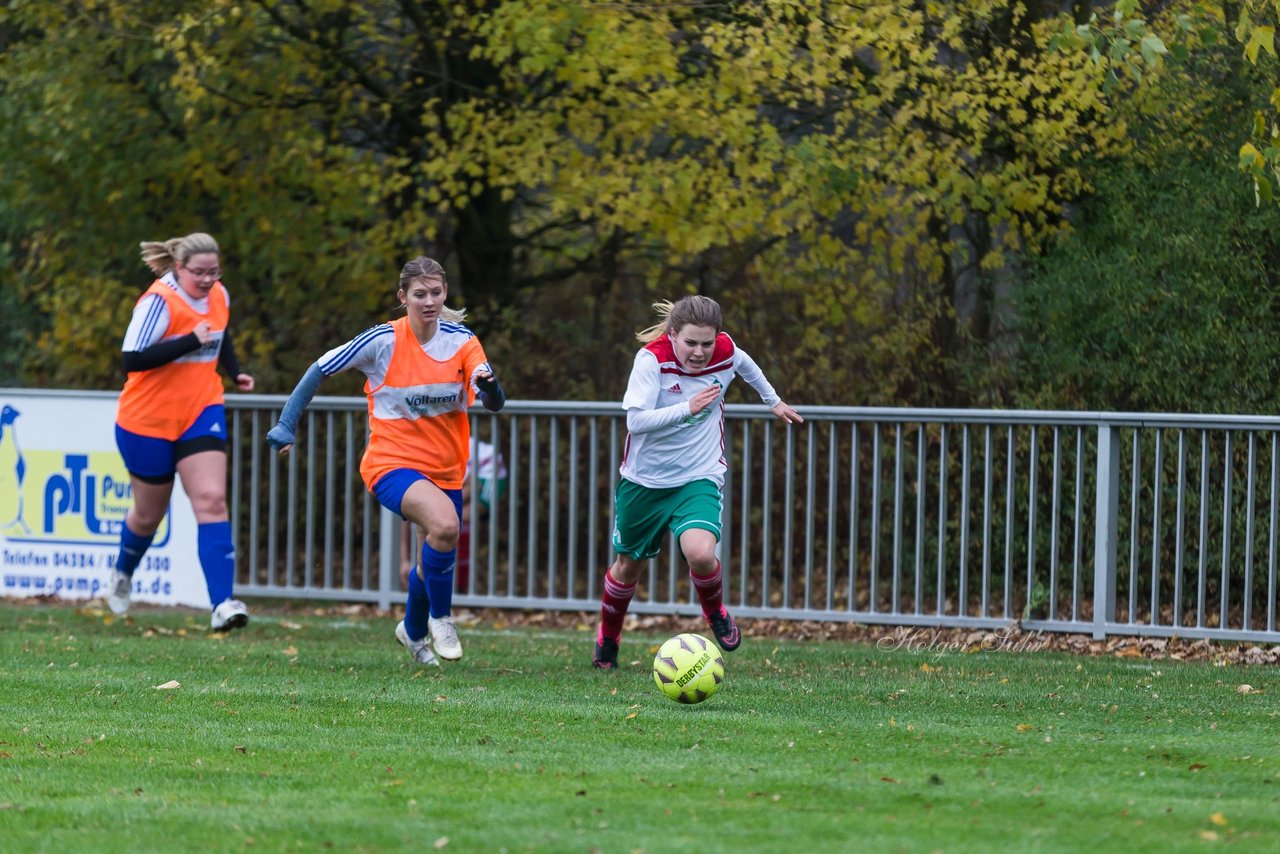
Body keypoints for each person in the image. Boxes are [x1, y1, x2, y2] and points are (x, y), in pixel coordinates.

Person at [267, 256, 505, 666]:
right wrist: (287, 424)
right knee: (446, 526)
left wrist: (491, 388)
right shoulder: (382, 341)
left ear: (444, 292)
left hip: (447, 468)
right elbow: (319, 369)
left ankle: (411, 633)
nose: (429, 301)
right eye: (419, 294)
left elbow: (493, 400)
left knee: (428, 556)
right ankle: (441, 619)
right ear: (403, 297)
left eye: (435, 293)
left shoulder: (462, 340)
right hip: (390, 463)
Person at [592, 295, 803, 669]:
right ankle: (608, 637)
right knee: (628, 567)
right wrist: (686, 409)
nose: (700, 352)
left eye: (707, 343)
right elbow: (635, 422)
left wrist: (772, 400)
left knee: (702, 553)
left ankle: (715, 612)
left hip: (698, 475)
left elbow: (744, 363)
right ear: (673, 334)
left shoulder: (725, 350)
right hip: (645, 481)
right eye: (691, 342)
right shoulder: (651, 360)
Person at [108, 232, 255, 630]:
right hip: (147, 420)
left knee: (211, 499)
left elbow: (219, 335)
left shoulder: (220, 294)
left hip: (200, 409)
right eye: (199, 273)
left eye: (214, 271)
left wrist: (234, 370)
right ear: (179, 268)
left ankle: (222, 604)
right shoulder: (159, 301)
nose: (208, 280)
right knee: (147, 515)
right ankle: (123, 571)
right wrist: (189, 341)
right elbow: (131, 359)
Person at [399, 437, 507, 593]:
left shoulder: (446, 453)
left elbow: (471, 487)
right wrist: (404, 560)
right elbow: (407, 516)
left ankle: (450, 582)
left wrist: (440, 510)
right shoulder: (420, 461)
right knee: (436, 518)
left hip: (490, 475)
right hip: (470, 475)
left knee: (445, 521)